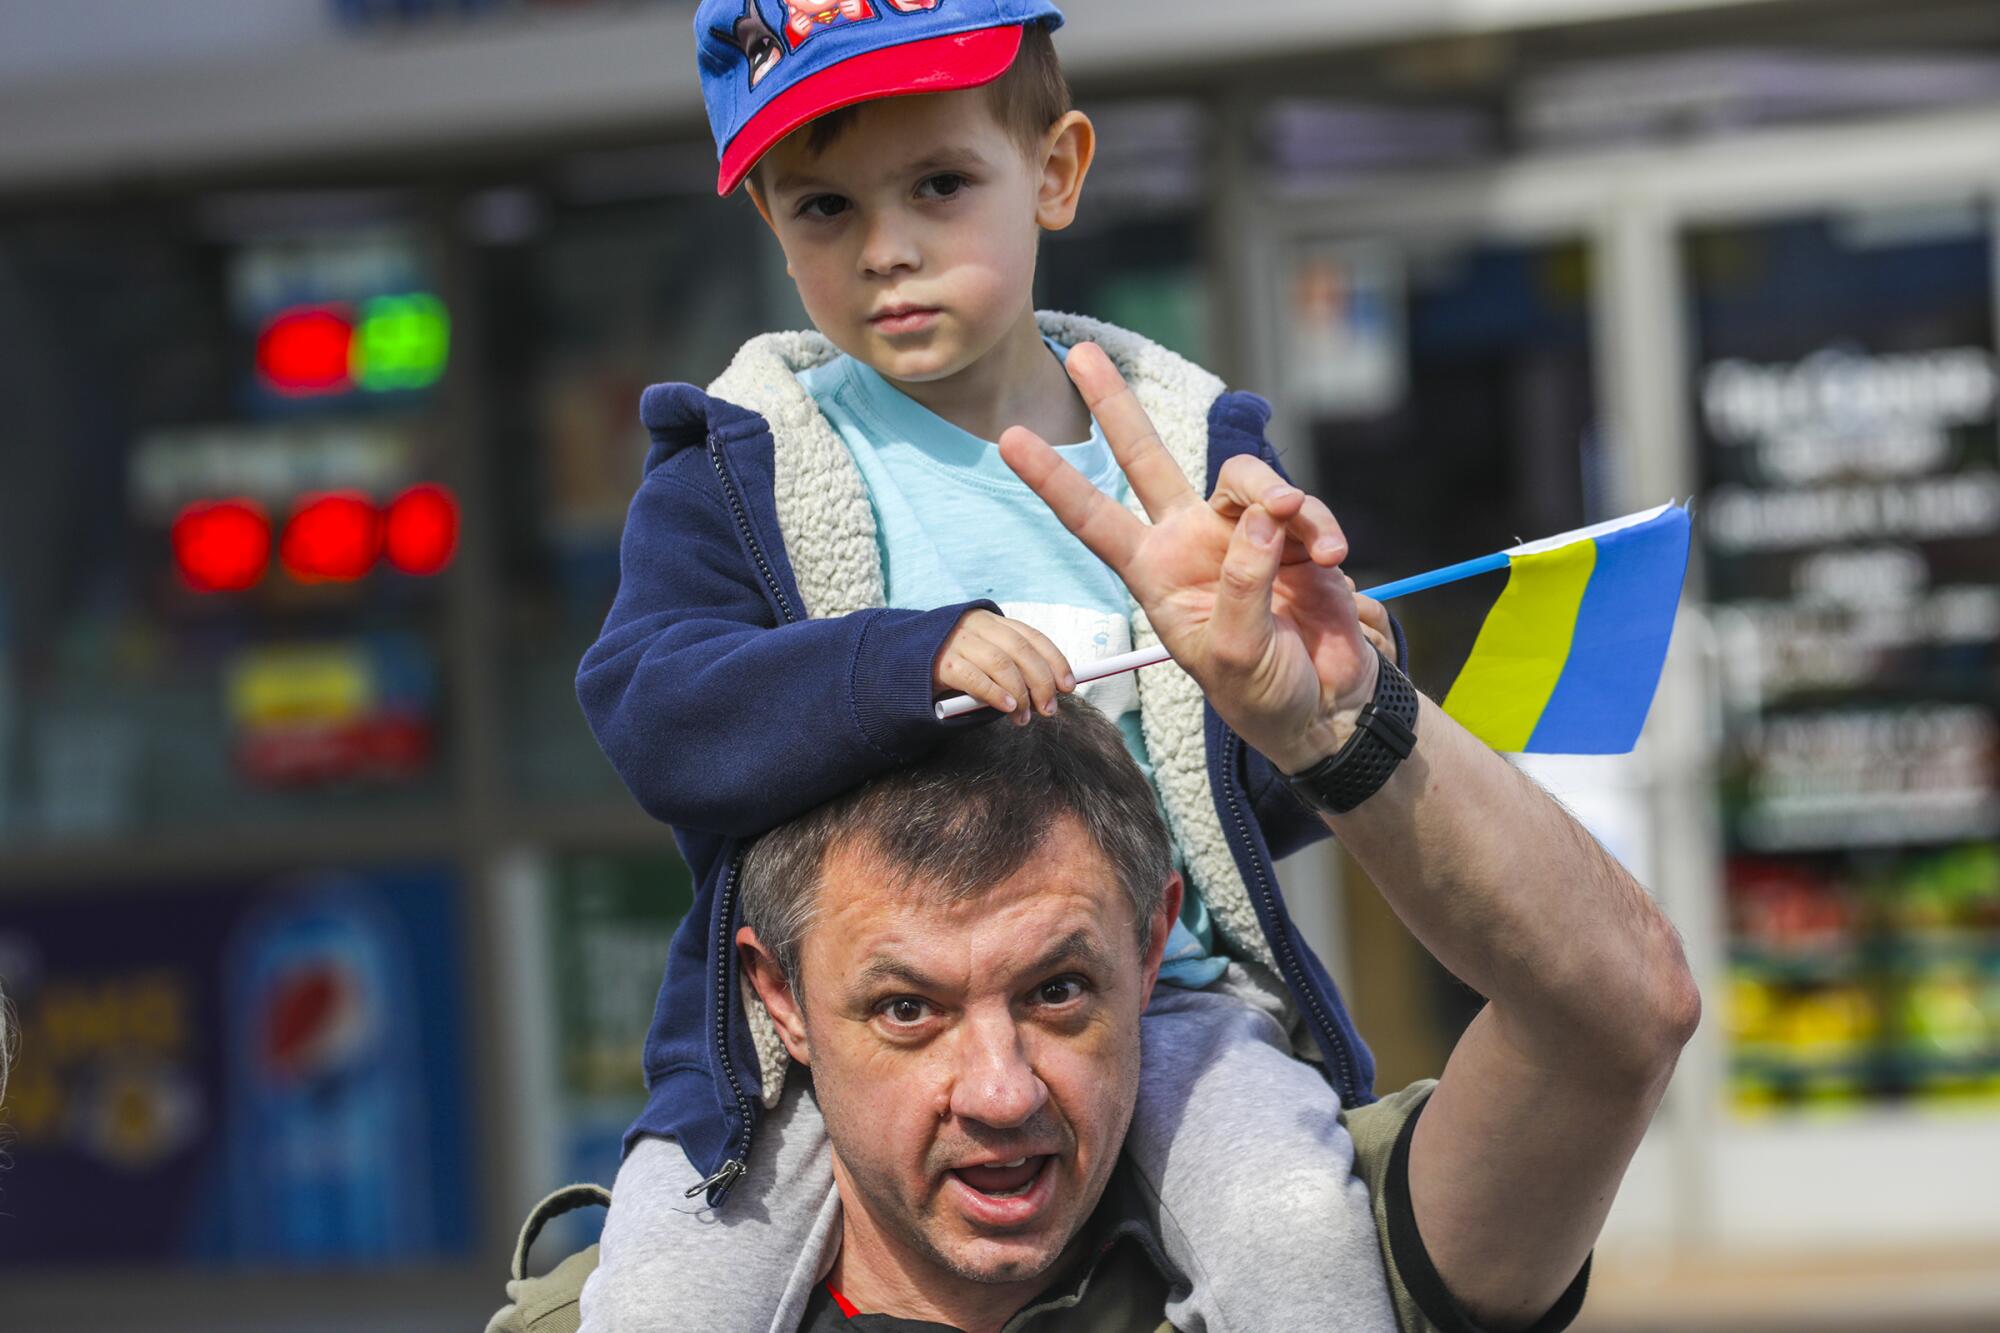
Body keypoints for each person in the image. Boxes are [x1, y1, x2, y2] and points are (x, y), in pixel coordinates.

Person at [500, 343, 1702, 1332]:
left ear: (1155, 935)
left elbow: (1616, 1009)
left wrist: (1337, 715)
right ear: (776, 997)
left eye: (1059, 989)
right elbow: (649, 689)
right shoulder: (616, 1307)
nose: (1000, 1089)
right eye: (907, 1007)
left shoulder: (1335, 1227)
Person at [574, 3, 1411, 1329]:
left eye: (941, 185)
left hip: (1169, 996)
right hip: (835, 1050)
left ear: (1058, 171)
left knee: (1299, 1226)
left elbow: (1263, 796)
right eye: (824, 209)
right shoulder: (742, 464)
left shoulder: (1191, 449)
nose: (887, 249)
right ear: (772, 230)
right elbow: (652, 709)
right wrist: (902, 661)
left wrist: (1334, 680)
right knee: (660, 1294)